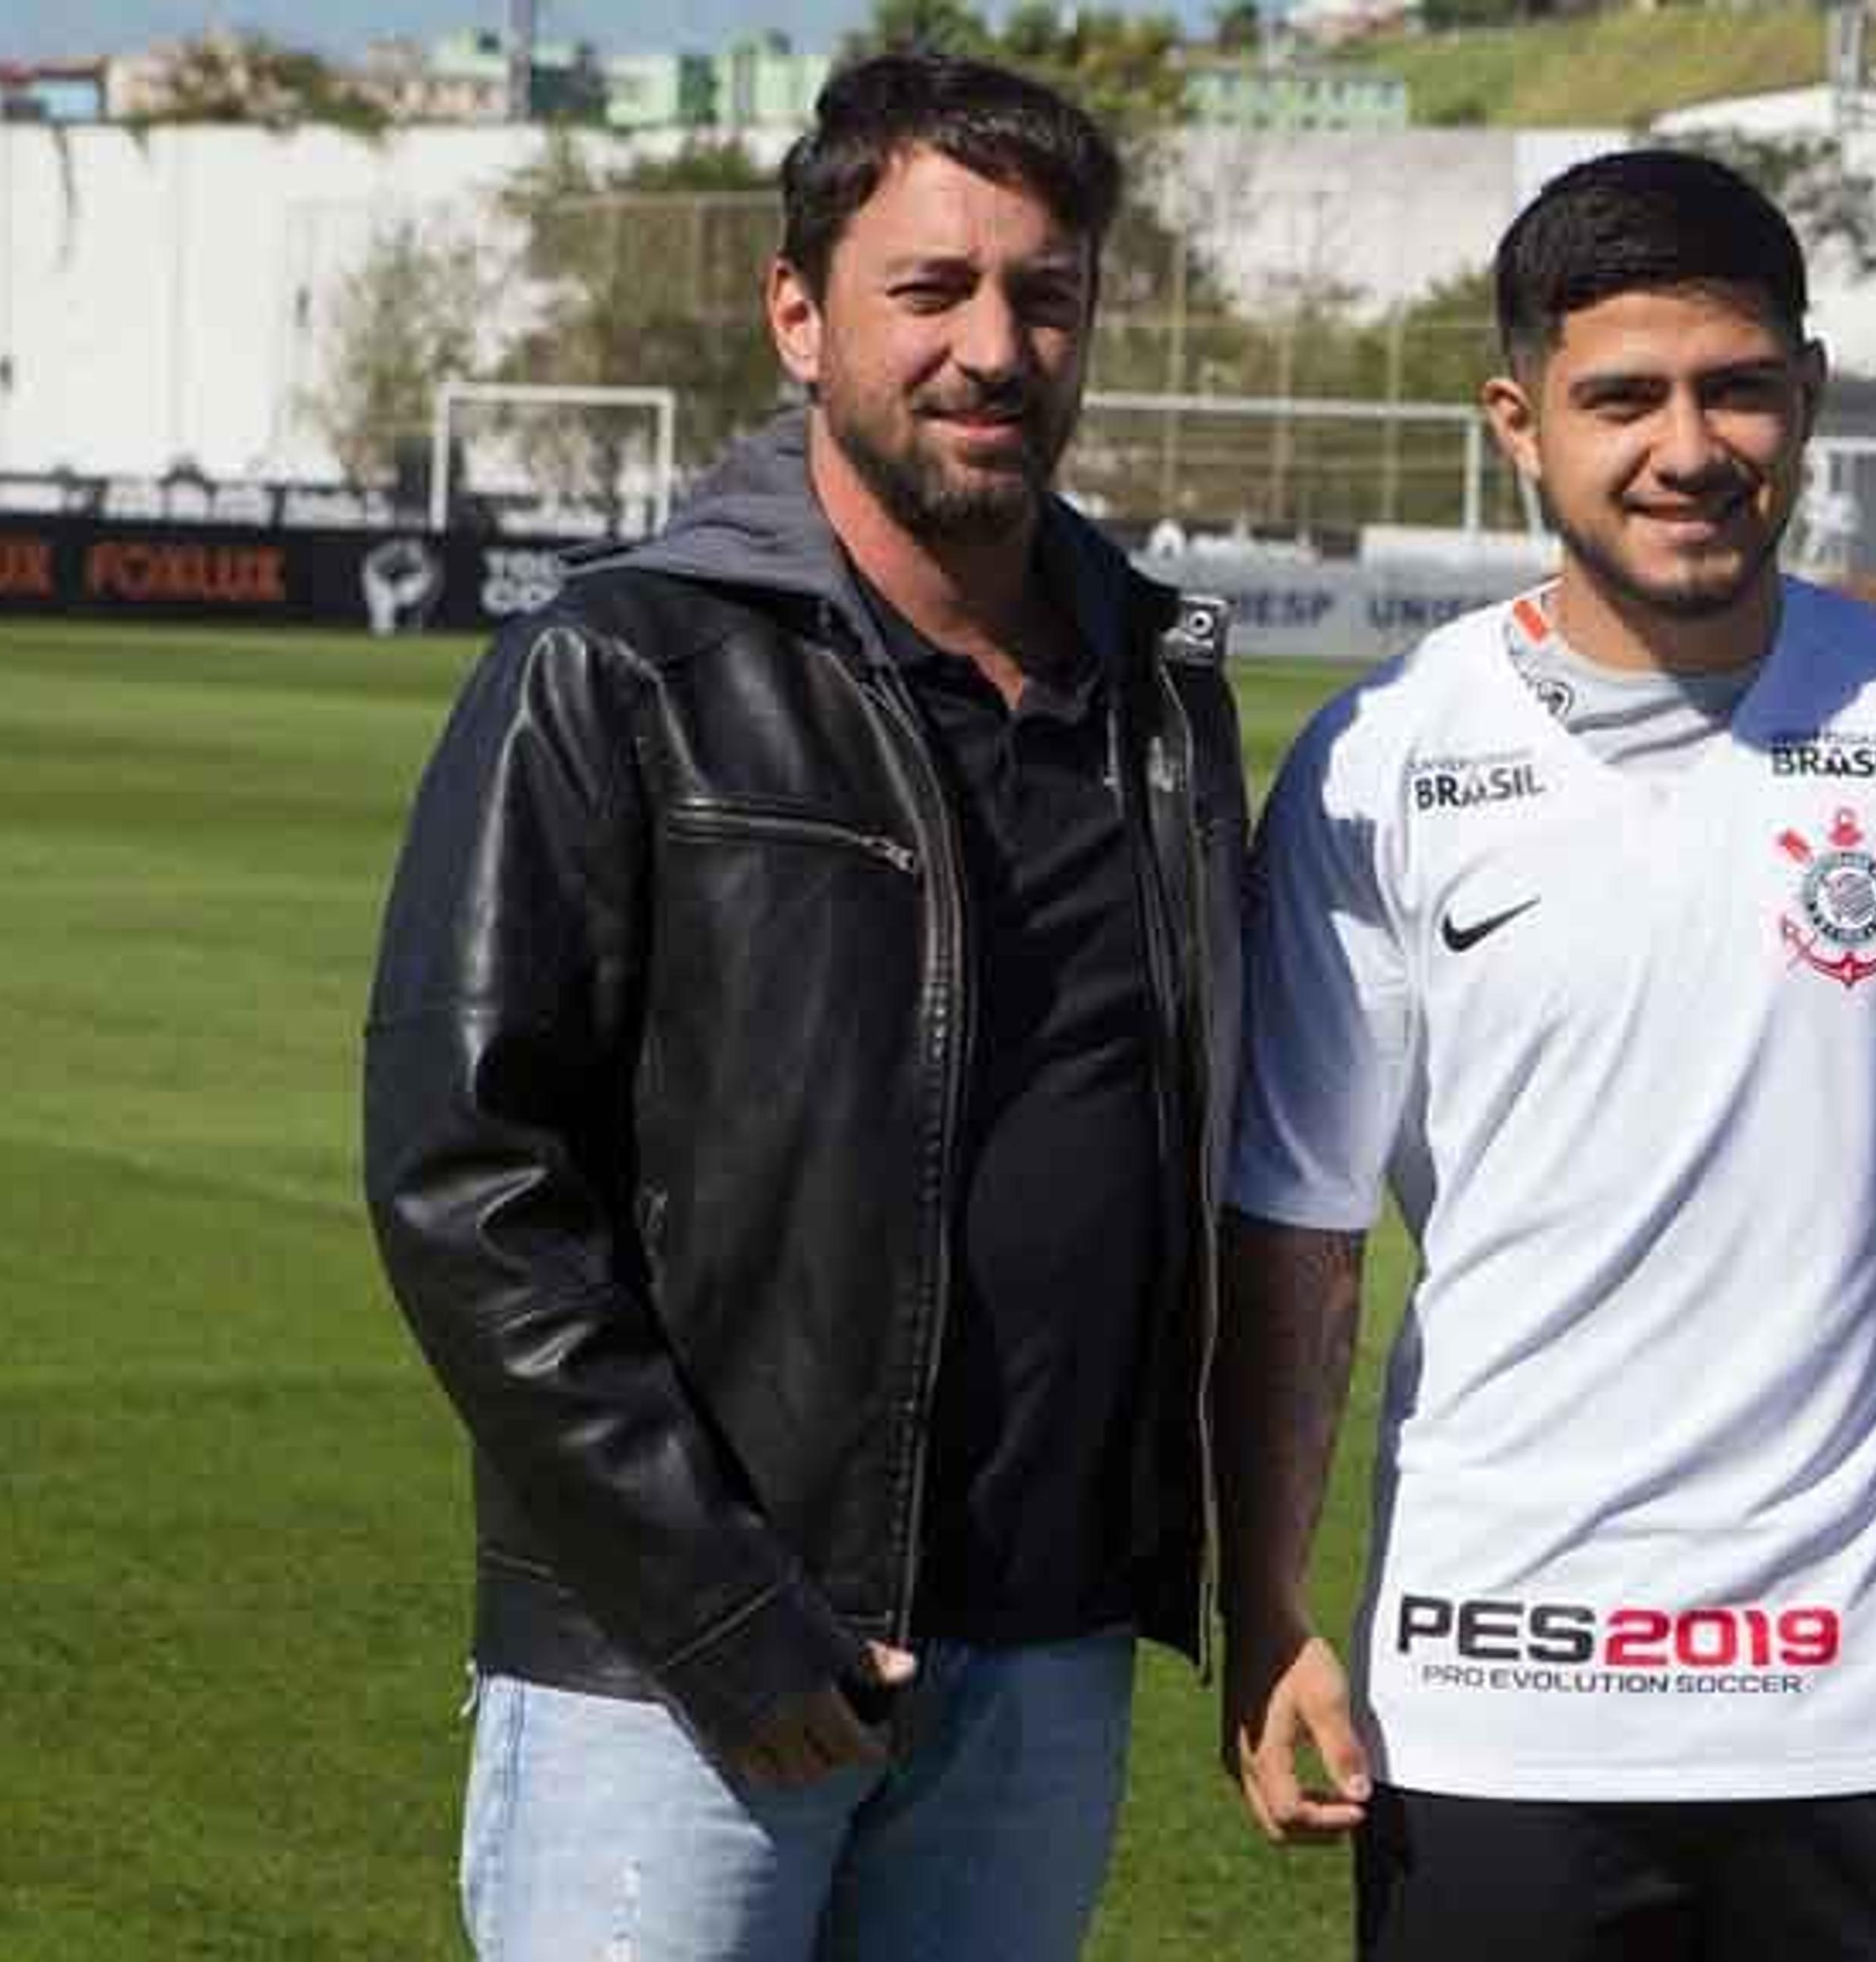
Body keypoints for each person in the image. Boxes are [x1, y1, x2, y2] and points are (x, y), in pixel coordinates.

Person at [1215, 148, 1876, 1960]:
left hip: (1874, 1681)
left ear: (1803, 395)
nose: (1689, 444)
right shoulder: (1380, 764)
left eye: (1737, 386)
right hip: (1501, 1685)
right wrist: (1265, 1597)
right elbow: (1299, 1228)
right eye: (1622, 397)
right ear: (1519, 421)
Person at [361, 49, 1245, 1962]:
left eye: (1045, 294)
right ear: (799, 312)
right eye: (930, 290)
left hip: (1043, 1657)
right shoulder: (622, 665)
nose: (992, 347)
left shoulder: (1165, 695)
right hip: (684, 1677)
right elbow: (467, 1178)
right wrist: (713, 1611)